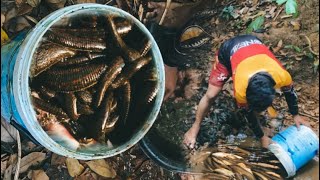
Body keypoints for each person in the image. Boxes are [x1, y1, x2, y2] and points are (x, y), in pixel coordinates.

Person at [183, 35, 310, 149]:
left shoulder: (282, 76)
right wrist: (261, 137)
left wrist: (296, 115)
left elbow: (290, 93)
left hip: (254, 42)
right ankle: (195, 126)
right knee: (211, 95)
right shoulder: (240, 88)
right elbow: (248, 113)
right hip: (229, 50)